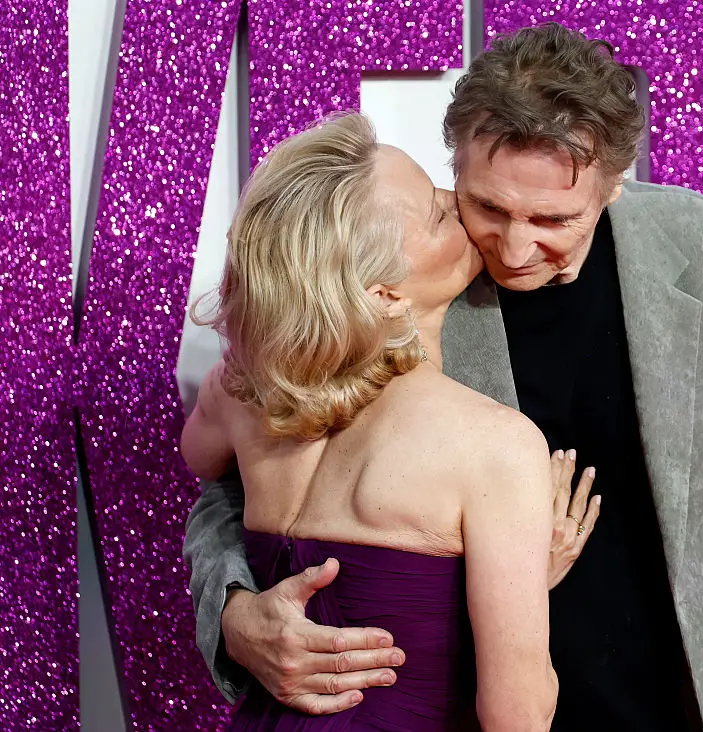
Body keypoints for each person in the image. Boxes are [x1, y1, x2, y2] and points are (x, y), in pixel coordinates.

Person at [185, 22, 703, 732]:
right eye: (487, 206)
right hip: (485, 701)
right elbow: (241, 483)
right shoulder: (401, 270)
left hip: (678, 702)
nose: (513, 247)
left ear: (612, 190)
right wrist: (234, 609)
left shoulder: (697, 237)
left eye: (552, 219)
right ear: (458, 168)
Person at [180, 112, 600, 731]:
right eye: (436, 213)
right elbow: (516, 714)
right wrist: (519, 581)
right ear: (385, 294)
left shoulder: (242, 394)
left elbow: (201, 462)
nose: (459, 205)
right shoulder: (495, 444)